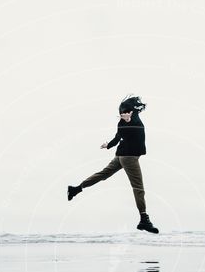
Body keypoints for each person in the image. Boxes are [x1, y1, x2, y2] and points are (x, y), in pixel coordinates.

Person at [67, 95, 159, 233]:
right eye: (122, 114)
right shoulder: (125, 123)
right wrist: (125, 123)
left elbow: (116, 139)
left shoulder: (133, 117)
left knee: (103, 174)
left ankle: (76, 189)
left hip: (121, 155)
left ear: (131, 110)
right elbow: (121, 134)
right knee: (138, 187)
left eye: (126, 112)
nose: (124, 115)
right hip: (129, 158)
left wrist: (108, 145)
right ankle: (144, 219)